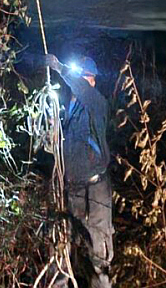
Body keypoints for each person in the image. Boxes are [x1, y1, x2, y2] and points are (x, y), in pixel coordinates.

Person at [44, 53, 113, 288]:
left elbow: (82, 90)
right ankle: (66, 279)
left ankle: (101, 281)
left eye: (88, 78)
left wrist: (61, 69)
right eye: (84, 78)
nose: (87, 82)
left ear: (92, 81)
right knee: (74, 235)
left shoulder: (96, 103)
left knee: (99, 242)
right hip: (73, 185)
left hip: (96, 188)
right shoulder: (70, 110)